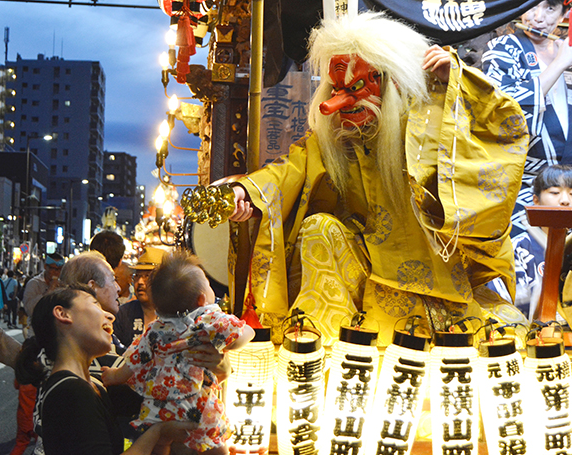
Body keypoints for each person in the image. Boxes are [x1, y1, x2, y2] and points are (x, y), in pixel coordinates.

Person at [226, 12, 528, 345]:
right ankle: (322, 345)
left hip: (446, 283)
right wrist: (246, 192)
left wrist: (458, 79)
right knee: (318, 231)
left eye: (356, 88)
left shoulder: (434, 121)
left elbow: (503, 128)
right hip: (365, 273)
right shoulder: (337, 137)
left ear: (390, 80)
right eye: (337, 89)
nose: (340, 102)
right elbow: (290, 169)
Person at [481, 0, 572, 236]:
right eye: (531, 6)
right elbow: (501, 111)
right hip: (527, 190)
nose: (538, 17)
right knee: (529, 265)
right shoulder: (502, 49)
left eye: (550, 8)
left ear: (565, 14)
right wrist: (561, 62)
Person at [102, 250, 255, 454]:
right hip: (198, 404)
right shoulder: (208, 319)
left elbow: (135, 359)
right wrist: (248, 331)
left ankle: (162, 447)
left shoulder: (155, 329)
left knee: (161, 442)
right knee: (215, 444)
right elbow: (238, 336)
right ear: (201, 299)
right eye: (209, 287)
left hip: (160, 405)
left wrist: (114, 376)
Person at [27, 285, 196, 455]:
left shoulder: (94, 385)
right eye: (95, 304)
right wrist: (158, 432)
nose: (110, 316)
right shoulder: (70, 392)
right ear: (63, 314)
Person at [490, 165, 572, 320]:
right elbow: (503, 304)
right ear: (536, 201)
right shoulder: (518, 248)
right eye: (555, 192)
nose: (565, 201)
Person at [113, 247, 165, 346]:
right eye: (137, 276)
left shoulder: (175, 314)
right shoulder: (123, 314)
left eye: (147, 276)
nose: (140, 282)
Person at [23, 253, 65, 323]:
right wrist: (50, 290)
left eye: (59, 269)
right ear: (45, 267)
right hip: (36, 329)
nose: (56, 272)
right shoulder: (34, 283)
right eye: (52, 268)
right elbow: (29, 310)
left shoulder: (62, 285)